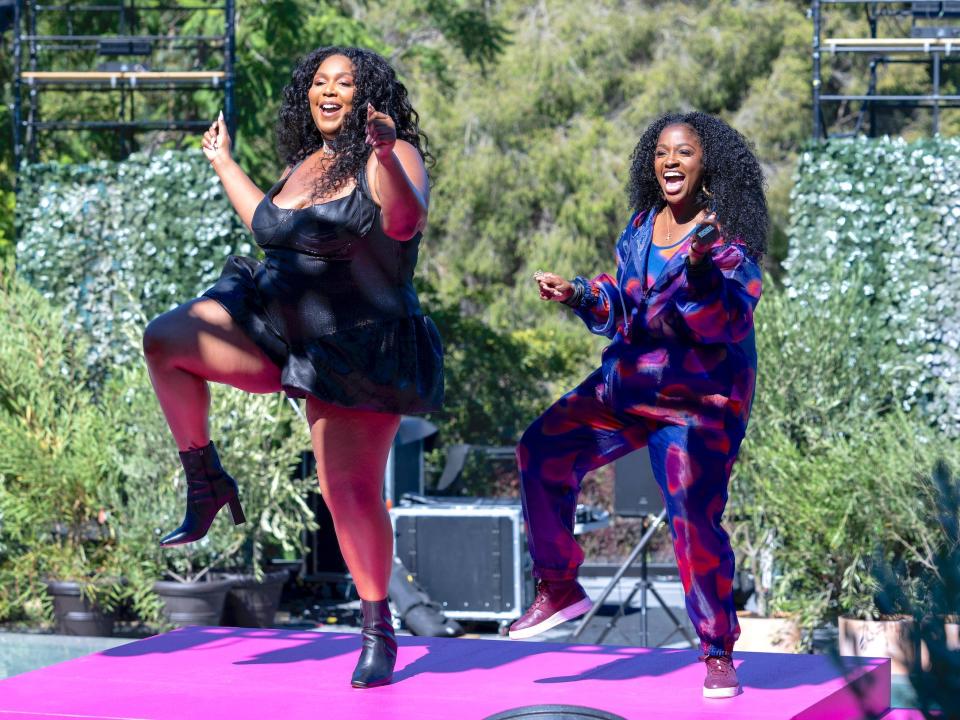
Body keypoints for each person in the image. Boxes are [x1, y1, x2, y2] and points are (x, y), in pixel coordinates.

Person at [142, 46, 443, 689]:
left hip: (360, 347)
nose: (328, 90)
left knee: (349, 493)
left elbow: (403, 218)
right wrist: (224, 163)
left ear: (368, 95)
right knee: (167, 340)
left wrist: (385, 153)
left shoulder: (393, 155)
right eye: (319, 82)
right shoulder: (304, 165)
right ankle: (206, 480)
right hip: (279, 328)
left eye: (345, 82)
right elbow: (266, 222)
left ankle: (377, 628)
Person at [509, 112, 766, 699]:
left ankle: (718, 651)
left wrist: (701, 272)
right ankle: (559, 587)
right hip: (627, 386)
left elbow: (727, 320)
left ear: (708, 166)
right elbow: (623, 310)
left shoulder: (725, 240)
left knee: (691, 520)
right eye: (661, 153)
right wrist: (578, 293)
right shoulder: (640, 227)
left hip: (696, 404)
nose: (670, 162)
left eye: (684, 153)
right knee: (541, 448)